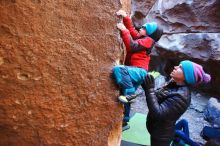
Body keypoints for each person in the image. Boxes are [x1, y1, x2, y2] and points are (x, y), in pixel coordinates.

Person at [112, 10, 163, 130]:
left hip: (139, 71)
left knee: (119, 70)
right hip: (136, 72)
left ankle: (131, 94)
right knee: (126, 93)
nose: (141, 28)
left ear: (149, 33)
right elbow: (134, 34)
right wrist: (126, 18)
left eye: (144, 28)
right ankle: (124, 121)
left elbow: (131, 46)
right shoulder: (142, 38)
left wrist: (123, 30)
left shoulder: (148, 40)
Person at [141, 60, 211, 146]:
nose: (175, 67)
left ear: (187, 76)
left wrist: (149, 90)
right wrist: (146, 87)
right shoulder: (174, 84)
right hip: (156, 128)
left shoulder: (181, 96)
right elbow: (158, 98)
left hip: (161, 136)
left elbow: (158, 114)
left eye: (180, 68)